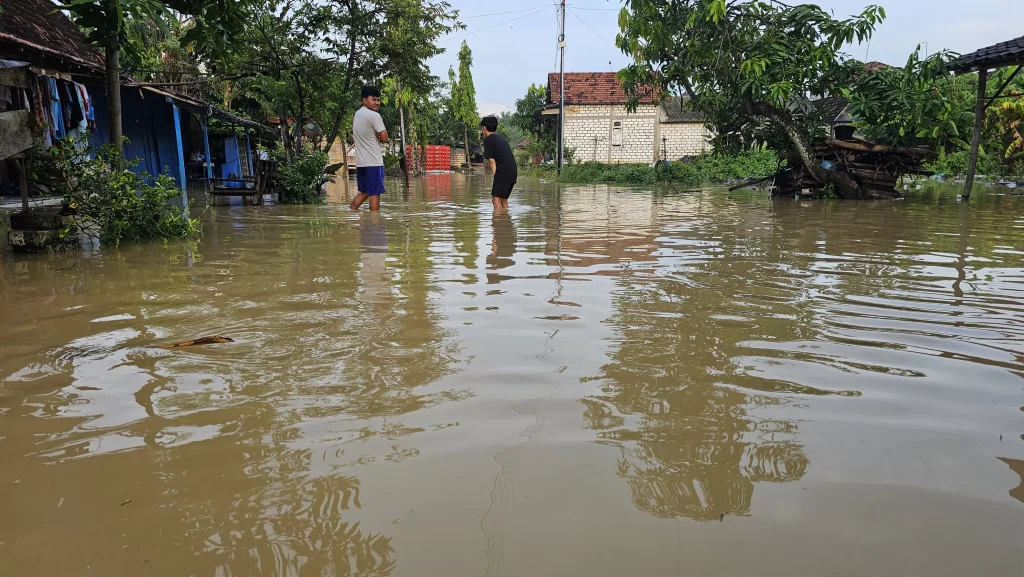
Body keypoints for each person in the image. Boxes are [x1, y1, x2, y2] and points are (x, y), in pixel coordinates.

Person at [350, 86, 389, 211]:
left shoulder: (357, 114)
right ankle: (375, 225)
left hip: (361, 163)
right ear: (364, 100)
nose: (377, 103)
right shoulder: (374, 115)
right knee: (375, 193)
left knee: (365, 191)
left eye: (378, 100)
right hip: (374, 162)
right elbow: (384, 138)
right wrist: (380, 136)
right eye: (374, 99)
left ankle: (351, 212)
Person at [480, 116, 517, 212]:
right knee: (503, 200)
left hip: (503, 172)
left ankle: (500, 225)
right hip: (513, 172)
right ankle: (506, 222)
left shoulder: (488, 140)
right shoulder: (500, 138)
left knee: (495, 201)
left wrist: (497, 177)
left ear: (484, 127)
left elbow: (492, 161)